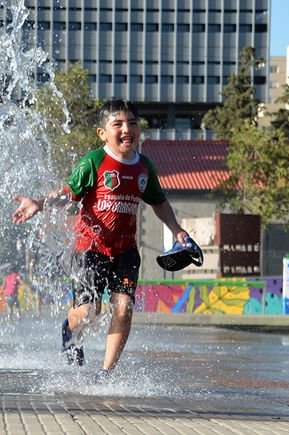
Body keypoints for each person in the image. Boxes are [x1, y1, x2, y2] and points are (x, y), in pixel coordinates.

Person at [11, 98, 191, 384]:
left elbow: (159, 202)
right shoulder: (94, 162)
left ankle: (105, 373)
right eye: (117, 124)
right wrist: (39, 202)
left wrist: (176, 228)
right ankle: (69, 331)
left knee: (124, 307)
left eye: (132, 123)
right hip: (89, 249)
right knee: (90, 311)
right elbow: (67, 192)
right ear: (102, 133)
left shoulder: (144, 167)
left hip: (126, 252)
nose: (126, 129)